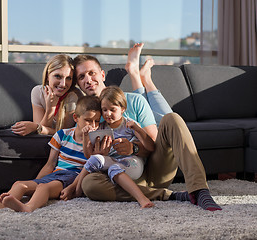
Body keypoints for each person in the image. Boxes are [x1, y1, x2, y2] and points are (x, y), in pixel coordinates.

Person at [72, 45, 222, 211]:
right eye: (81, 76)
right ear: (78, 83)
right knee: (89, 184)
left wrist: (133, 148)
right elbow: (91, 159)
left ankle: (200, 190)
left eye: (91, 73)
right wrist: (101, 154)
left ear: (102, 74)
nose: (87, 79)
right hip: (119, 177)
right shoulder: (87, 116)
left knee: (171, 118)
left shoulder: (135, 100)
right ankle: (168, 195)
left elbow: (154, 144)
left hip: (152, 169)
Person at [0, 96, 101, 212]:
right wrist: (35, 182)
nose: (93, 125)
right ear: (76, 118)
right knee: (20, 184)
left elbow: (89, 166)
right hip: (56, 174)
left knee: (43, 188)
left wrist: (71, 188)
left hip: (72, 177)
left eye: (97, 121)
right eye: (88, 120)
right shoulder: (62, 135)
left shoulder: (95, 140)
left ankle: (28, 207)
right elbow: (50, 164)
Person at [64, 86, 155, 208]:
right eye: (104, 110)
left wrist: (138, 129)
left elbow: (150, 147)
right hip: (113, 161)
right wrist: (86, 136)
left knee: (114, 168)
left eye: (112, 110)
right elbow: (88, 156)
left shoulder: (129, 125)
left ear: (122, 109)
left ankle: (142, 199)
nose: (108, 114)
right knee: (94, 159)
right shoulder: (100, 127)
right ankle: (77, 190)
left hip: (133, 164)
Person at [11, 54, 83, 136]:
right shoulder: (38, 92)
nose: (63, 84)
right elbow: (40, 134)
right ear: (47, 76)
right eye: (58, 76)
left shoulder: (73, 97)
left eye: (68, 78)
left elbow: (63, 135)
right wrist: (50, 110)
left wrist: (36, 127)